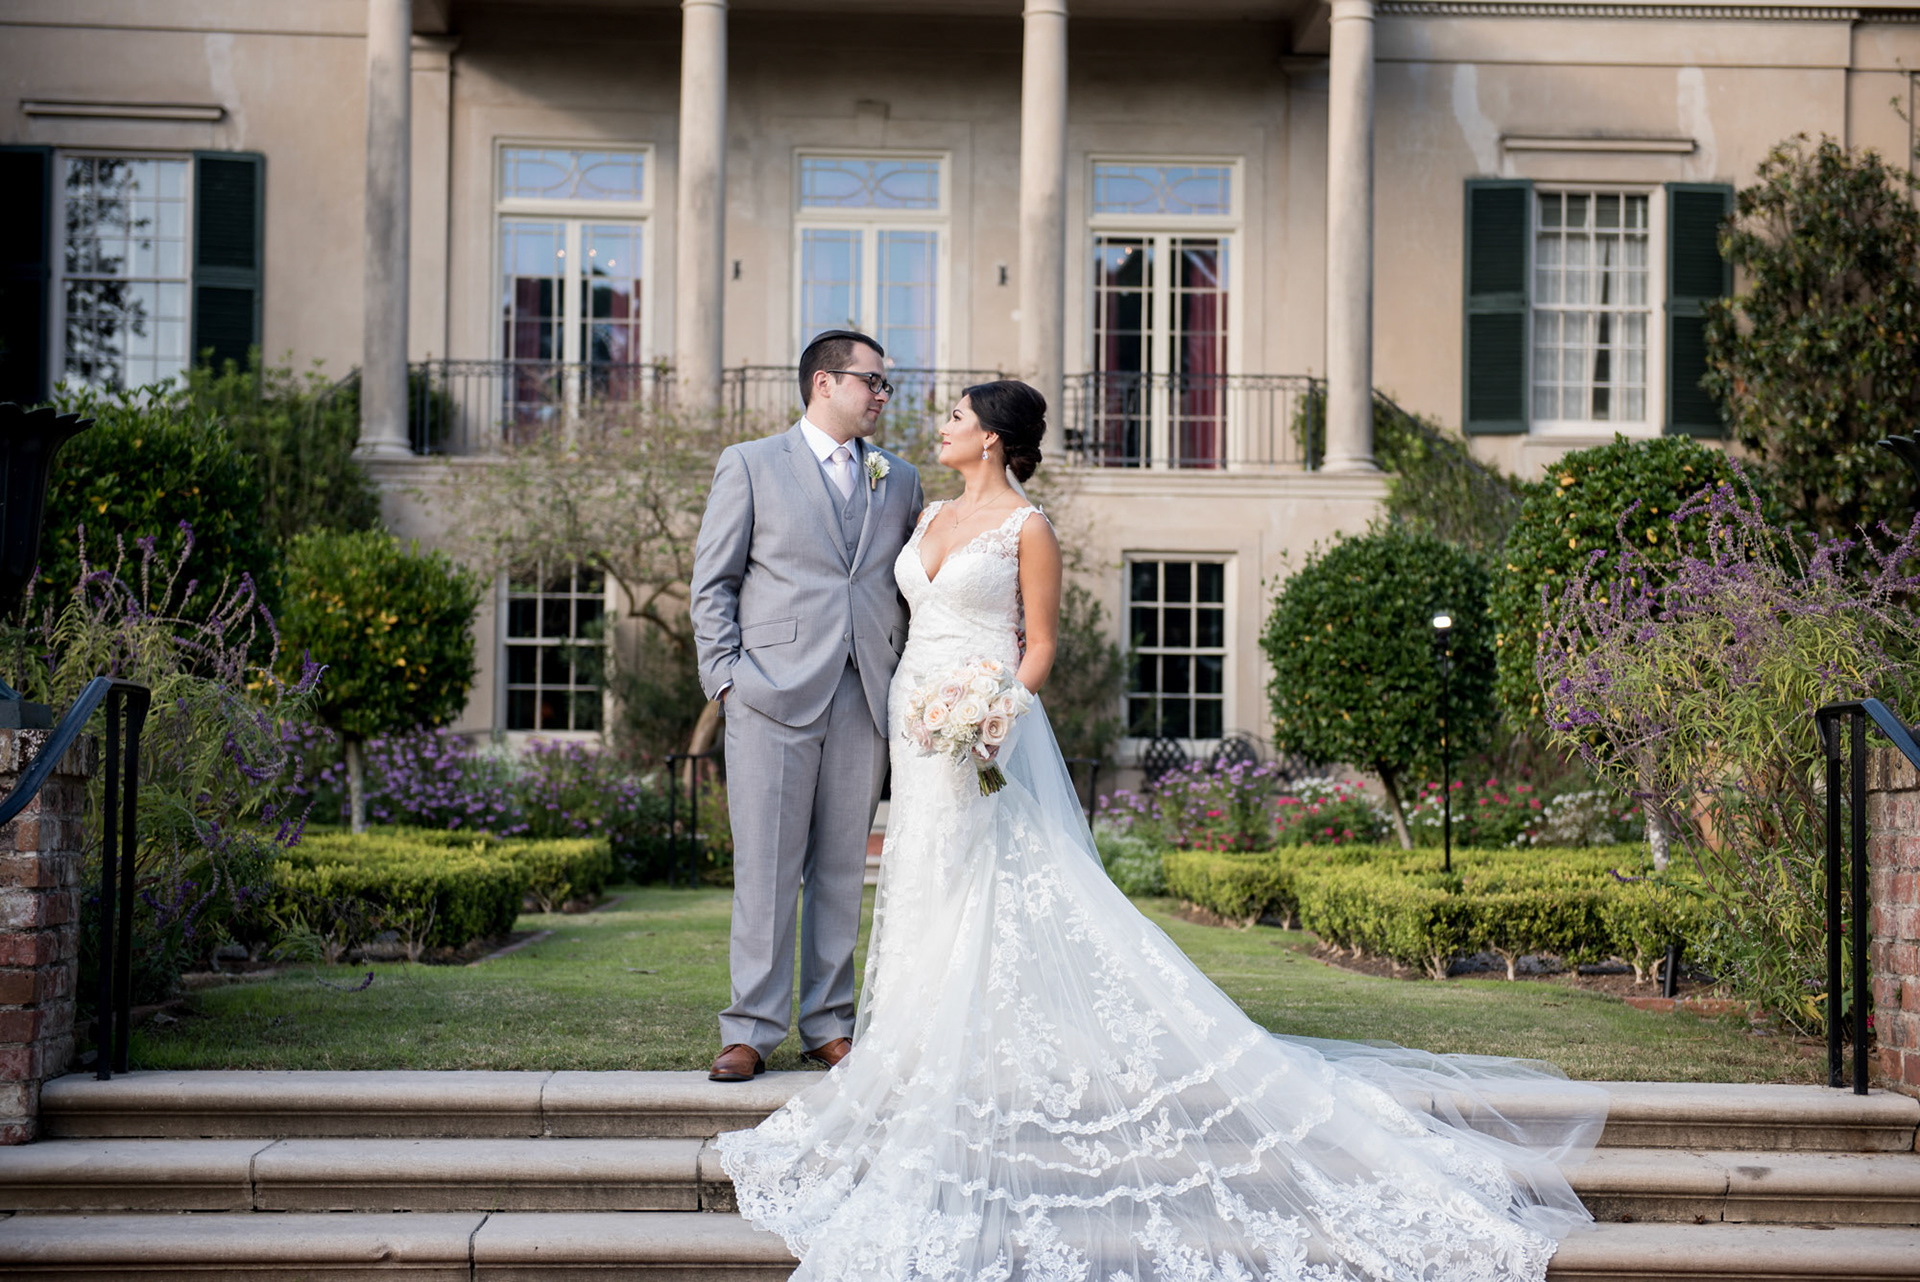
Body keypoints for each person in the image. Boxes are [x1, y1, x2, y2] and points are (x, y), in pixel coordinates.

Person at [714, 379, 1611, 1280]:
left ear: (990, 438)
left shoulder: (1029, 528)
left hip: (983, 720)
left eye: (955, 416)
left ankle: (962, 1037)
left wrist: (996, 712)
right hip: (914, 717)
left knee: (990, 874)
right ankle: (912, 1033)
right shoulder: (921, 512)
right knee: (924, 871)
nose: (938, 424)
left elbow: (1039, 643)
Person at [689, 330, 925, 1084]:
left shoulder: (900, 479)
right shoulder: (750, 464)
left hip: (864, 695)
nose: (882, 395)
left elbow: (908, 589)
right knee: (765, 869)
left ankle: (829, 1024)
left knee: (841, 870)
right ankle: (750, 1030)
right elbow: (713, 583)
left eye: (885, 385)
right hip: (768, 694)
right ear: (825, 382)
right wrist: (726, 680)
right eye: (872, 381)